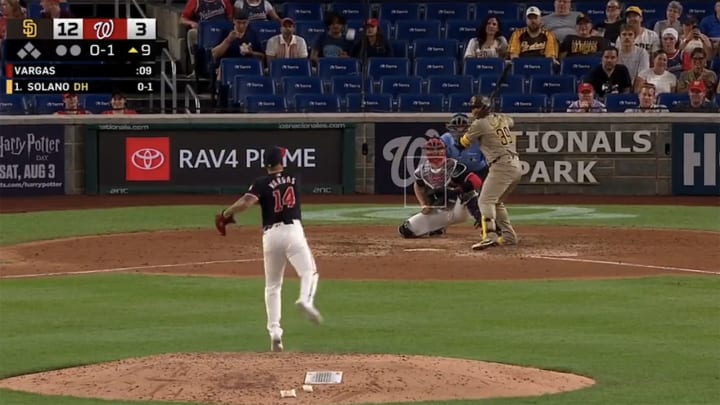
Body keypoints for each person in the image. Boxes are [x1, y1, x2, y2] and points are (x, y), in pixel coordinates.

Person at [214, 146, 322, 353]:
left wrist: (226, 213)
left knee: (272, 286)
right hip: (293, 231)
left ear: (266, 165)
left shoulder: (261, 183)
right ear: (282, 162)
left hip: (271, 236)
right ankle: (305, 300)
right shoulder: (294, 178)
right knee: (309, 272)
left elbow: (246, 203)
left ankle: (275, 332)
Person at [459, 95, 522, 251]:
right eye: (472, 107)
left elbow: (463, 143)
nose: (473, 110)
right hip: (514, 165)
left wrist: (472, 127)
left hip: (501, 165)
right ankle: (508, 236)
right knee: (496, 201)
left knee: (484, 201)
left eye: (476, 107)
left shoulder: (479, 124)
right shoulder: (501, 118)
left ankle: (490, 236)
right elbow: (510, 121)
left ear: (483, 108)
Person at [397, 138, 485, 239]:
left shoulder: (453, 166)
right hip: (441, 209)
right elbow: (418, 186)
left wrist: (454, 191)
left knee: (469, 192)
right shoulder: (422, 170)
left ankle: (484, 223)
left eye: (439, 149)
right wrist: (424, 205)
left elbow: (477, 182)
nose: (435, 152)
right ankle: (437, 227)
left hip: (460, 208)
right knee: (406, 229)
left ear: (445, 150)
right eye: (431, 149)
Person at [180, 0, 233, 77]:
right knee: (192, 33)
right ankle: (195, 68)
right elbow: (182, 19)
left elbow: (231, 18)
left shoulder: (224, 1)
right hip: (206, 33)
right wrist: (192, 23)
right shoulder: (195, 1)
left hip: (222, 33)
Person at [211, 7, 263, 79]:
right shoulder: (226, 32)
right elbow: (215, 54)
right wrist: (228, 41)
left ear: (248, 22)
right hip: (229, 65)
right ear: (234, 21)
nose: (241, 26)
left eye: (244, 23)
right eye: (238, 22)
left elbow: (262, 56)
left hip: (247, 66)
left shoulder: (252, 34)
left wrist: (252, 52)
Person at [440, 113, 489, 181]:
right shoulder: (445, 138)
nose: (460, 131)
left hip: (478, 172)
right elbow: (439, 158)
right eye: (456, 127)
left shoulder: (478, 138)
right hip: (454, 173)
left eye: (463, 127)